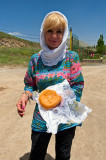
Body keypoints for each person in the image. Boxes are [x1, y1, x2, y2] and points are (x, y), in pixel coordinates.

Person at [16, 11, 84, 160]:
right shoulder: (35, 60)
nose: (54, 36)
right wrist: (25, 95)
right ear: (43, 33)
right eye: (50, 31)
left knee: (63, 155)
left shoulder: (72, 58)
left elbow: (78, 85)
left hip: (66, 115)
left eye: (59, 31)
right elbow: (29, 84)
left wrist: (62, 98)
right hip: (42, 115)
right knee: (37, 154)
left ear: (64, 34)